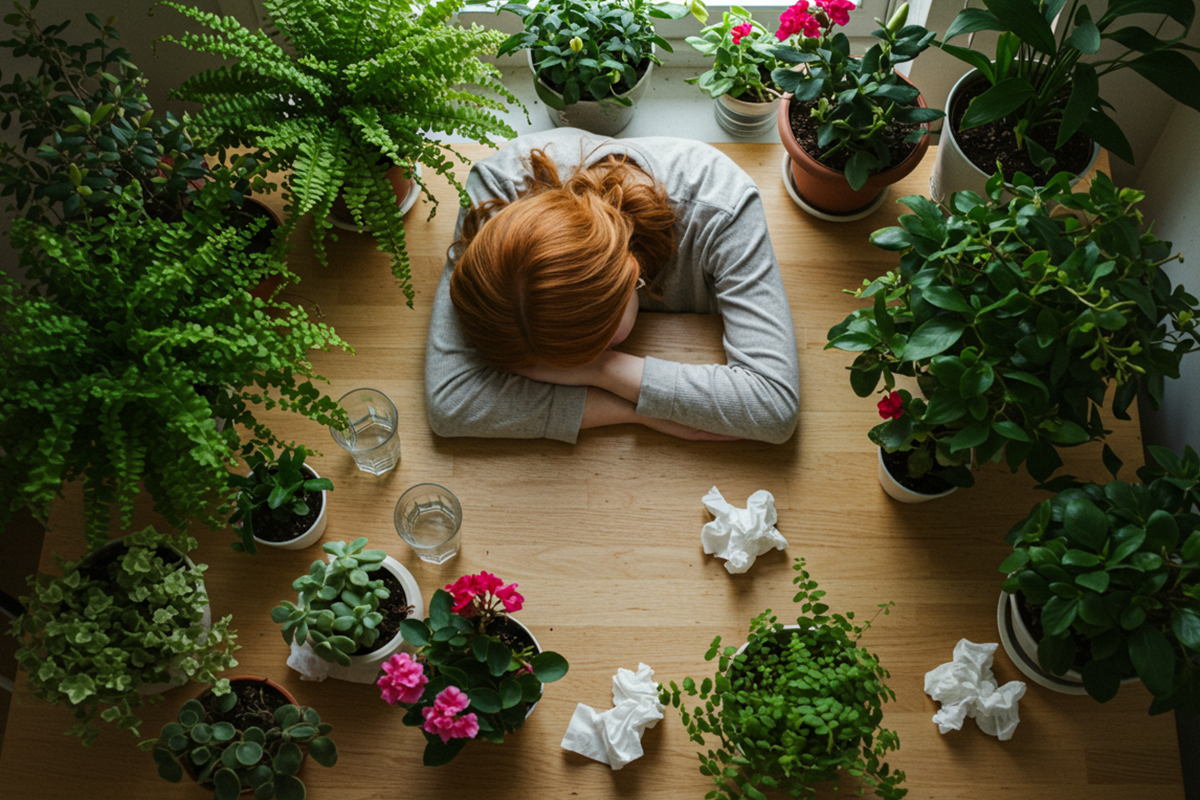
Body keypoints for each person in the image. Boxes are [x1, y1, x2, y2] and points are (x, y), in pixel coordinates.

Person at [424, 128, 799, 444]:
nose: (563, 368)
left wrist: (601, 370)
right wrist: (634, 411)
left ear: (631, 274)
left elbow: (772, 406)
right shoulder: (495, 196)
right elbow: (451, 400)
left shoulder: (722, 206)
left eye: (587, 350)